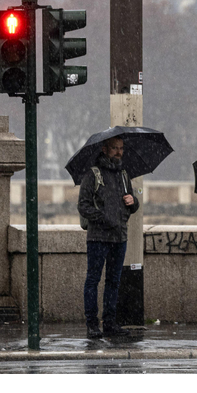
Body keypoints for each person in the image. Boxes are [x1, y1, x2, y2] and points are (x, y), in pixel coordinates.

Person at [77, 136, 139, 339]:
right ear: (104, 149)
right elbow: (83, 206)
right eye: (115, 148)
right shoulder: (93, 174)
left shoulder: (123, 174)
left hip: (119, 236)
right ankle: (92, 324)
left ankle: (110, 323)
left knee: (114, 281)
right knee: (93, 280)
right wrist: (105, 219)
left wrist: (133, 201)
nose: (119, 152)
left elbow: (131, 204)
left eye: (121, 148)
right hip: (98, 237)